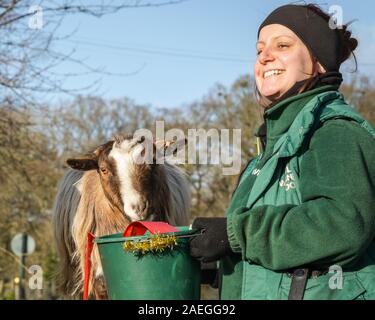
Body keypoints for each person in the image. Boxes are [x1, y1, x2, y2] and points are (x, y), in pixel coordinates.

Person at [189, 3, 375, 300]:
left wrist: (236, 234)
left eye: (283, 45)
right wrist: (210, 259)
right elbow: (266, 261)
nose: (264, 56)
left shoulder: (334, 132)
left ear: (318, 63)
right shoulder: (259, 161)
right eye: (259, 49)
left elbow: (342, 224)